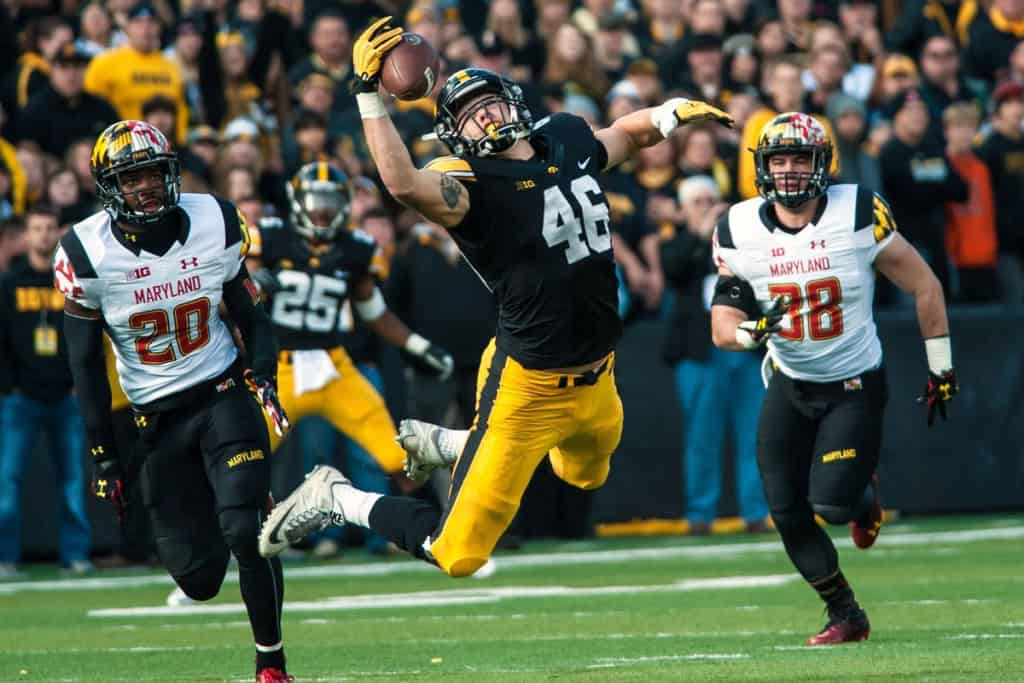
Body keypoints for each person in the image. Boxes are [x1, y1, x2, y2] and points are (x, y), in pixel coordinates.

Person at [258, 16, 734, 577]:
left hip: (600, 374)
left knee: (585, 475)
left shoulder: (565, 139)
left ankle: (457, 443)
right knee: (456, 554)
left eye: (487, 103)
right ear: (454, 135)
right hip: (527, 387)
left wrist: (668, 113)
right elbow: (403, 183)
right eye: (467, 115)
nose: (483, 117)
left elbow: (625, 136)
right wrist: (368, 96)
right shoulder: (471, 185)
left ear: (513, 102)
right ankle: (337, 497)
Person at [54, 120, 293, 683]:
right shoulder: (87, 252)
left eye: (154, 174)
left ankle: (271, 663)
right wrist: (104, 455)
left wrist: (263, 374)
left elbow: (251, 314)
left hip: (222, 391)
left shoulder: (215, 221)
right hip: (156, 418)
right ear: (110, 187)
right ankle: (230, 505)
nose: (146, 187)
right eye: (131, 178)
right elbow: (84, 365)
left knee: (247, 531)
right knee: (199, 579)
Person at [709, 112, 958, 645]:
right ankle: (845, 613)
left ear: (824, 163)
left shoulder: (857, 212)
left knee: (834, 505)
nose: (789, 170)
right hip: (789, 381)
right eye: (779, 159)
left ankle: (864, 497)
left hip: (853, 383)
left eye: (800, 158)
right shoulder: (738, 227)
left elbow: (925, 285)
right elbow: (722, 324)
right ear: (762, 166)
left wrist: (941, 367)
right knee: (784, 508)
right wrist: (751, 333)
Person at [248, 161, 453, 498]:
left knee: (397, 459)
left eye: (330, 202)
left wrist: (418, 346)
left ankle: (429, 524)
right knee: (243, 459)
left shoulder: (357, 249)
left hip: (335, 368)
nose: (322, 212)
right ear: (296, 201)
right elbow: (234, 294)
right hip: (278, 371)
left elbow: (373, 312)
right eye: (315, 202)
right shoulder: (271, 237)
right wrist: (253, 284)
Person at [0, 204, 91, 577]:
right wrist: (9, 386)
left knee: (73, 481)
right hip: (20, 398)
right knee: (7, 480)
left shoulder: (69, 281)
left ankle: (76, 554)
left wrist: (78, 383)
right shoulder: (9, 283)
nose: (43, 234)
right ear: (26, 235)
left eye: (49, 227)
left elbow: (85, 335)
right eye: (36, 228)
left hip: (66, 397)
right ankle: (5, 556)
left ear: (58, 232)